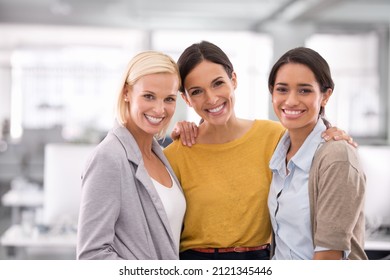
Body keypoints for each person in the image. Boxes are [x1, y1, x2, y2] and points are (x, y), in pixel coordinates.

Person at [163, 41, 354, 260]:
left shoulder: (275, 136)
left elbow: (310, 131)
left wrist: (333, 132)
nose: (212, 98)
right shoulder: (175, 155)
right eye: (197, 92)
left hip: (262, 260)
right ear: (186, 98)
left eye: (218, 84)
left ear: (233, 80)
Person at [77, 51, 186, 260]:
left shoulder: (160, 156)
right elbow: (91, 257)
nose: (159, 109)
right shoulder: (108, 158)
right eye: (149, 96)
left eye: (169, 99)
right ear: (127, 92)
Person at [267, 47, 367, 260]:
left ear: (325, 96)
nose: (291, 100)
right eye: (282, 89)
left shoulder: (337, 158)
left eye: (304, 90)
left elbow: (329, 258)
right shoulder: (279, 150)